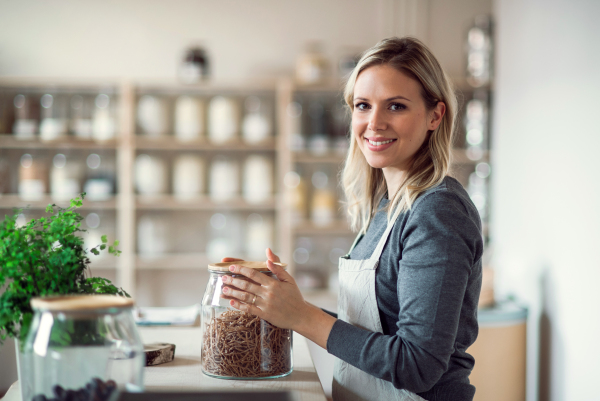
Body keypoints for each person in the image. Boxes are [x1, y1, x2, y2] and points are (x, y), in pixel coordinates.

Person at [221, 37, 483, 401]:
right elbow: (376, 328)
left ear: (435, 116)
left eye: (395, 106)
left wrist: (301, 316)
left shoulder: (437, 212)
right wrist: (284, 302)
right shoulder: (387, 206)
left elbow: (418, 365)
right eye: (363, 105)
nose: (374, 123)